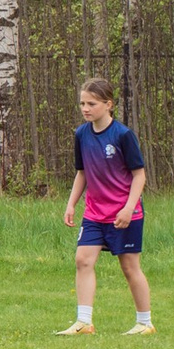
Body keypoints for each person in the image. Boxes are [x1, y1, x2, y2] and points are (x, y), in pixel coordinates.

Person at [57, 76, 153, 335]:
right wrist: (71, 204)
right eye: (82, 103)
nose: (86, 109)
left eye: (92, 103)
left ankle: (145, 323)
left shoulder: (123, 135)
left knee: (130, 267)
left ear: (108, 104)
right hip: (94, 214)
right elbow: (82, 173)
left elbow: (139, 175)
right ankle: (84, 322)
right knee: (83, 260)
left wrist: (128, 208)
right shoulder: (81, 134)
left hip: (124, 214)